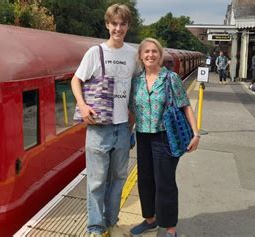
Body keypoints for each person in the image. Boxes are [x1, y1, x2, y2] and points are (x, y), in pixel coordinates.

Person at [70, 3, 140, 237]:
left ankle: (111, 220)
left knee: (119, 178)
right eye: (114, 24)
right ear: (107, 24)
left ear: (127, 26)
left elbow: (139, 83)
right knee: (97, 181)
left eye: (122, 24)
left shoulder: (132, 54)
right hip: (99, 128)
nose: (118, 28)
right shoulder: (95, 52)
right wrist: (82, 104)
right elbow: (75, 80)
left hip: (123, 127)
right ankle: (95, 227)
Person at [129, 38, 200, 237]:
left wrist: (196, 134)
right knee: (145, 180)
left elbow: (185, 105)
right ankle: (150, 219)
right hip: (143, 135)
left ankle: (170, 227)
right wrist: (128, 132)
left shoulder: (170, 78)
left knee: (165, 182)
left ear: (160, 55)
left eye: (154, 52)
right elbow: (133, 110)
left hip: (165, 137)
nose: (150, 55)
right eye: (147, 52)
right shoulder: (137, 81)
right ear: (141, 56)